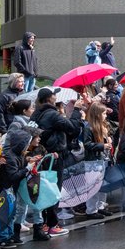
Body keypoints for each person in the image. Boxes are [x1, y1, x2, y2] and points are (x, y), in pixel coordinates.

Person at [31, 88, 84, 233]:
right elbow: (73, 129)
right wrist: (77, 111)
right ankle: (52, 224)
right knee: (54, 190)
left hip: (39, 156)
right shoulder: (53, 115)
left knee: (42, 190)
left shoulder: (35, 114)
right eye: (54, 95)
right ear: (50, 98)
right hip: (55, 156)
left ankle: (42, 223)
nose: (56, 97)